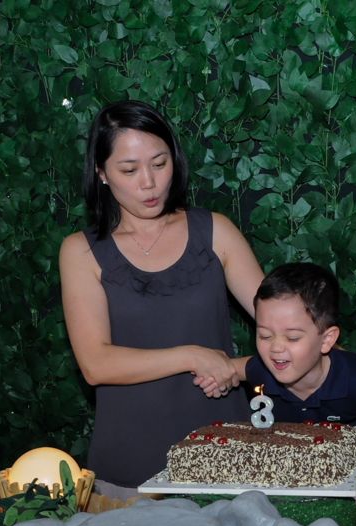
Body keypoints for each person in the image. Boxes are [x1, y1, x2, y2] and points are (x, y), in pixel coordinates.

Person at [59, 100, 265, 488]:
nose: (149, 183)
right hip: (130, 463)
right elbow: (96, 364)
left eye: (159, 163)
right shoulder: (80, 251)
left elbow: (286, 326)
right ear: (101, 173)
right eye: (129, 170)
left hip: (226, 456)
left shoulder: (216, 231)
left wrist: (350, 367)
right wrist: (191, 356)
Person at [228, 263, 356, 452]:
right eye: (265, 336)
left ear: (327, 340)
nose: (275, 348)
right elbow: (228, 368)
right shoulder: (261, 370)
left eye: (292, 337)